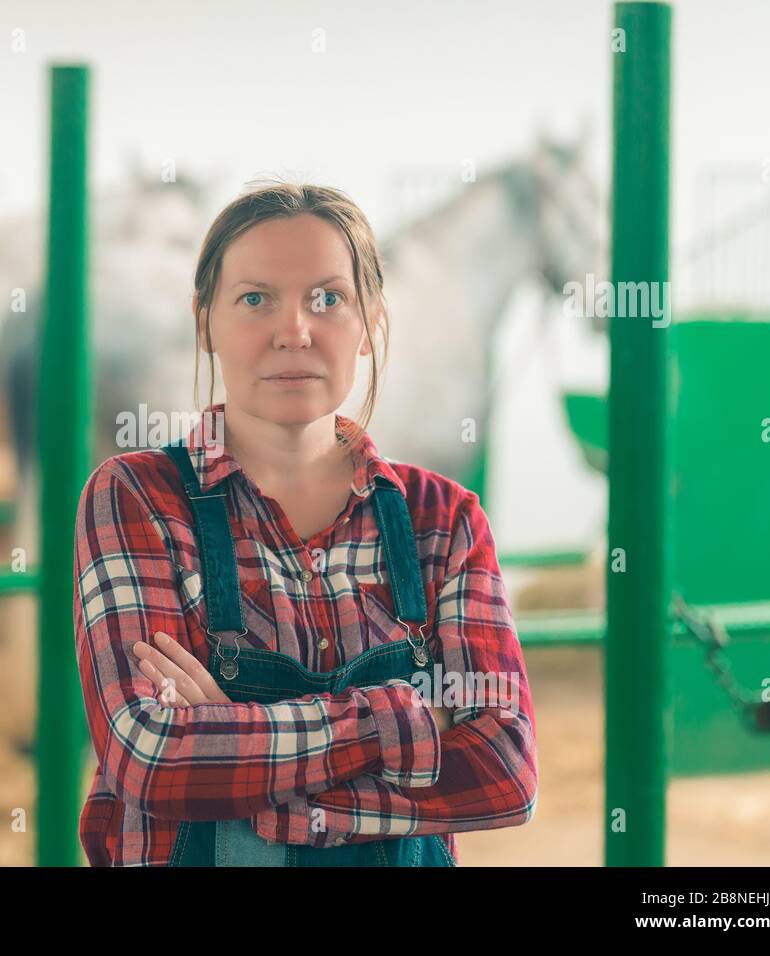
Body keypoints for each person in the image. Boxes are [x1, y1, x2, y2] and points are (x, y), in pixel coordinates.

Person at [72, 180, 538, 867]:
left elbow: (504, 770)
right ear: (205, 321)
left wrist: (239, 749)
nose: (294, 331)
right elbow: (152, 755)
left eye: (327, 299)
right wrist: (407, 717)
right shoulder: (137, 497)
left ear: (371, 325)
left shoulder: (444, 520)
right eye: (256, 299)